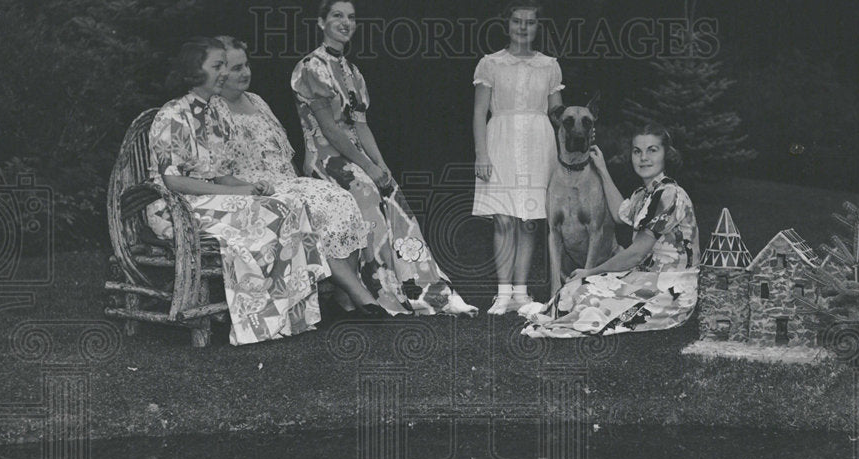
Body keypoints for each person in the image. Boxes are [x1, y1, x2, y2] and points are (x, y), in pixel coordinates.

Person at [291, 1, 477, 316]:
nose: (345, 22)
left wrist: (382, 166)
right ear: (321, 22)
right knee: (366, 193)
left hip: (354, 157)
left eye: (351, 17)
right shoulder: (312, 67)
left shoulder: (353, 73)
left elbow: (360, 127)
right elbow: (330, 131)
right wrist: (367, 168)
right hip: (326, 158)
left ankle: (419, 287)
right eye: (337, 16)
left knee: (393, 194)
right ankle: (375, 289)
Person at [147, 37, 330, 345]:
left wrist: (249, 188)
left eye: (224, 66)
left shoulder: (215, 117)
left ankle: (288, 313)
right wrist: (237, 195)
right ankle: (258, 318)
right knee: (269, 217)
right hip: (174, 208)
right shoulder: (173, 115)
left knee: (288, 205)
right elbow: (173, 181)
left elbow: (220, 175)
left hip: (208, 200)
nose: (223, 73)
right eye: (217, 66)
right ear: (194, 72)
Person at [213, 35, 387, 318]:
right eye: (235, 68)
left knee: (341, 199)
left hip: (282, 179)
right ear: (219, 73)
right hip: (251, 188)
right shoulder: (213, 109)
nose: (245, 73)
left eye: (246, 65)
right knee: (309, 210)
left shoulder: (256, 101)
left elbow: (280, 151)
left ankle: (343, 298)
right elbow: (219, 171)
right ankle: (361, 296)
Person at [521, 122, 700, 338]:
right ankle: (556, 309)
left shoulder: (669, 194)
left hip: (670, 292)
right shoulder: (646, 193)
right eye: (637, 151)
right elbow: (619, 214)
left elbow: (636, 253)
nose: (644, 158)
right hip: (645, 279)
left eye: (652, 150)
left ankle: (553, 314)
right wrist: (603, 170)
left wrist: (591, 271)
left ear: (666, 154)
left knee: (589, 294)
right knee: (578, 289)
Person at [472, 1, 563, 314]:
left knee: (529, 222)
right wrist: (481, 153)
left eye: (530, 22)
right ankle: (503, 293)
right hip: (501, 140)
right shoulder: (491, 64)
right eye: (517, 21)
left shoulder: (550, 65)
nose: (523, 27)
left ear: (538, 27)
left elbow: (557, 112)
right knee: (503, 219)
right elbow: (478, 112)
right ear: (507, 24)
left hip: (539, 143)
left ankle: (522, 293)